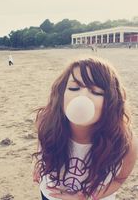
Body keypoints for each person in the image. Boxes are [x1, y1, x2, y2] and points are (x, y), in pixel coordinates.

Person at [32, 57, 137, 200]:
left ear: (111, 102)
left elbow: (119, 179)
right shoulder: (46, 121)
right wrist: (38, 162)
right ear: (61, 94)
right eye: (74, 88)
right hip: (50, 194)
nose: (82, 96)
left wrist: (87, 197)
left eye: (97, 92)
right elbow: (42, 141)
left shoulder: (125, 141)